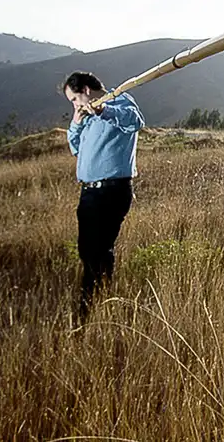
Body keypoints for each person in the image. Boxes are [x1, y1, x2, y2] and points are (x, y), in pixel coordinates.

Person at [61, 71, 145, 322]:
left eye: (74, 99)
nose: (75, 105)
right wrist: (76, 122)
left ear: (86, 90)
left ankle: (86, 312)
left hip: (111, 191)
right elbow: (75, 147)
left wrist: (102, 111)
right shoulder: (86, 117)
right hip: (88, 193)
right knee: (88, 252)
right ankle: (99, 301)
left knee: (98, 251)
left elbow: (135, 122)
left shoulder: (121, 101)